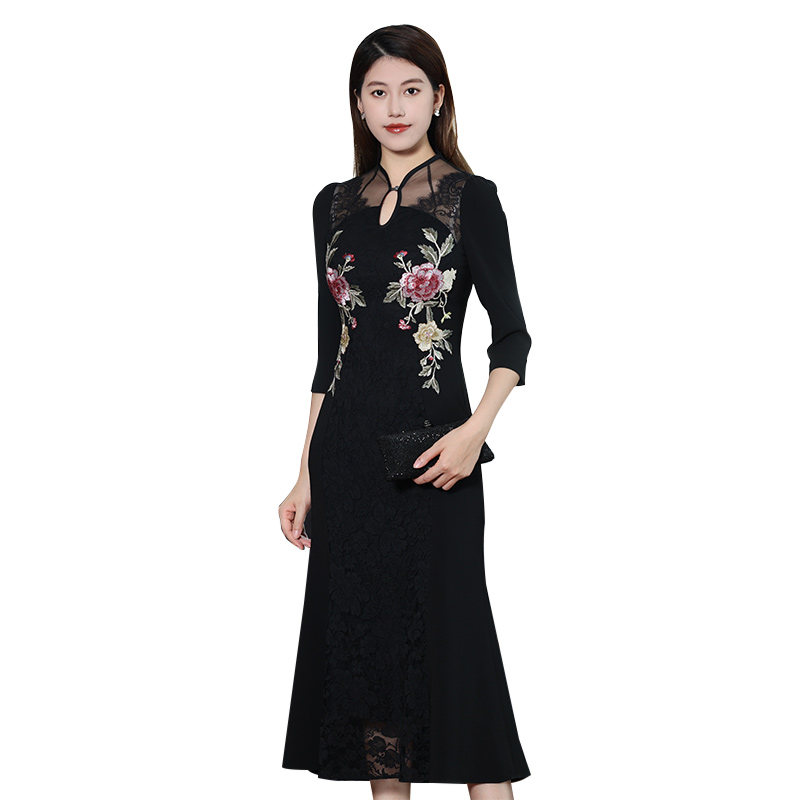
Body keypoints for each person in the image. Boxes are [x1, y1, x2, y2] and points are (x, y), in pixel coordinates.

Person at [279, 24, 532, 799]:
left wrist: (473, 433)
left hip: (433, 459)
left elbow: (513, 336)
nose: (395, 107)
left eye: (411, 89)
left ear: (438, 98)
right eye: (378, 91)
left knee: (458, 660)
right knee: (372, 673)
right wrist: (304, 475)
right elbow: (330, 353)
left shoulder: (469, 200)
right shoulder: (330, 206)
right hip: (347, 465)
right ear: (358, 104)